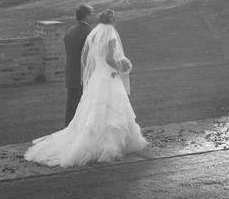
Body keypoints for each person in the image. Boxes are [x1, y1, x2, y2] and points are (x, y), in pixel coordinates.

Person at [25, 10, 146, 167]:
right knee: (113, 109)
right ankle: (108, 146)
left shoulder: (94, 34)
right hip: (109, 76)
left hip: (97, 77)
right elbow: (110, 58)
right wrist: (118, 68)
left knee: (94, 110)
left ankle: (91, 139)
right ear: (113, 20)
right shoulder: (110, 33)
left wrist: (98, 69)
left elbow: (85, 58)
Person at [64, 4, 94, 125]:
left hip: (71, 72)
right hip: (83, 75)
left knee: (71, 105)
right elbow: (91, 57)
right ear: (86, 15)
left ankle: (68, 129)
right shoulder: (88, 32)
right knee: (84, 104)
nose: (93, 15)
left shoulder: (70, 30)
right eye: (92, 13)